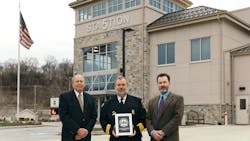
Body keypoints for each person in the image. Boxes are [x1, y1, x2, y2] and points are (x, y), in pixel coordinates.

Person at [100, 76, 146, 141]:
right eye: (118, 85)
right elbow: (103, 120)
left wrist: (136, 129)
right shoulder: (107, 104)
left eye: (123, 85)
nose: (121, 87)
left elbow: (144, 119)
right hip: (116, 139)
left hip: (134, 138)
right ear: (115, 87)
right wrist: (111, 130)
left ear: (127, 86)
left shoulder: (137, 102)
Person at [146, 73, 184, 141]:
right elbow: (148, 119)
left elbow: (177, 118)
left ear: (169, 83)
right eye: (160, 83)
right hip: (154, 138)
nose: (162, 85)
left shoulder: (178, 99)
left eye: (164, 82)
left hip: (170, 138)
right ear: (157, 84)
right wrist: (152, 132)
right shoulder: (152, 101)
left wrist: (163, 132)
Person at [59, 74, 97, 141]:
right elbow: (64, 116)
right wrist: (77, 130)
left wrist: (86, 131)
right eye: (77, 81)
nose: (79, 83)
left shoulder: (91, 98)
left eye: (81, 81)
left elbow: (93, 116)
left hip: (86, 137)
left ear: (84, 84)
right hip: (70, 136)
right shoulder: (64, 97)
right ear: (73, 84)